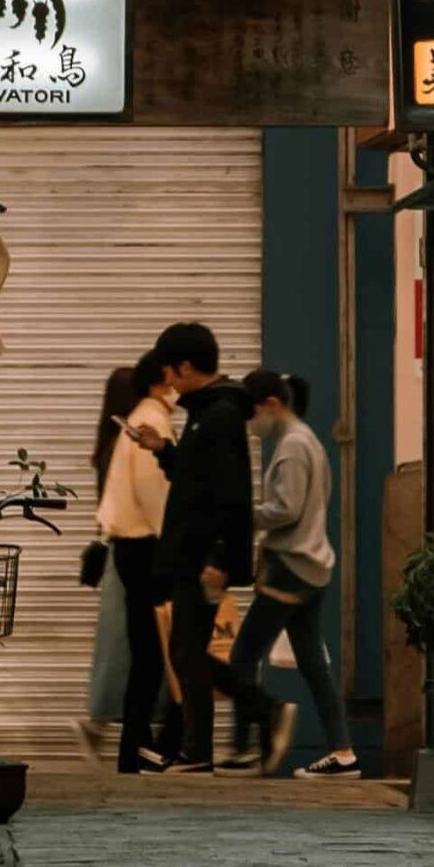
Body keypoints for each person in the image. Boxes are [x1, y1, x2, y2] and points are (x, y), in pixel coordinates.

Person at [210, 370, 358, 778]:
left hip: (290, 567)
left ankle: (243, 750)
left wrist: (243, 516)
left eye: (252, 412)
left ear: (272, 404)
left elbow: (286, 509)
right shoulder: (309, 441)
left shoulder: (292, 446)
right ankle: (343, 752)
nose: (250, 422)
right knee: (313, 664)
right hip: (312, 566)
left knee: (243, 655)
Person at [126, 322, 255, 774]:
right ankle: (200, 746)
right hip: (192, 553)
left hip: (202, 555)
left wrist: (220, 559)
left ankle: (203, 748)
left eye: (171, 369)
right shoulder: (205, 414)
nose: (169, 380)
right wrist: (161, 448)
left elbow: (230, 492)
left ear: (186, 365)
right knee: (186, 650)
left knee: (187, 650)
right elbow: (196, 476)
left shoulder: (220, 415)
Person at [89, 355, 176, 773]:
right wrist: (172, 540)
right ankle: (139, 747)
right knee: (150, 652)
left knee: (145, 649)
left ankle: (138, 745)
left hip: (129, 546)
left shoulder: (136, 420)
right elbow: (152, 489)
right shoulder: (150, 420)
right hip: (145, 547)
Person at [77, 364, 144, 761]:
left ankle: (103, 724)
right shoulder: (126, 444)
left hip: (120, 549)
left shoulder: (108, 443)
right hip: (130, 548)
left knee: (120, 641)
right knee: (125, 642)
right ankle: (99, 722)